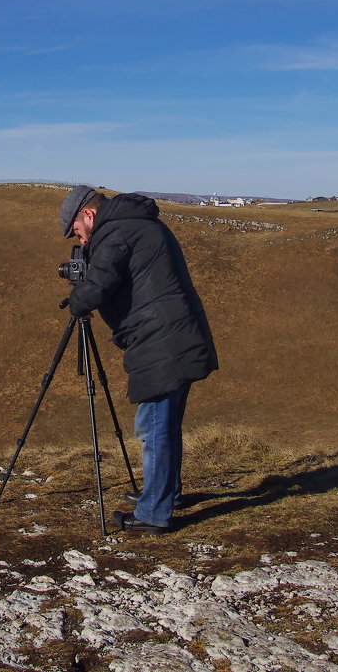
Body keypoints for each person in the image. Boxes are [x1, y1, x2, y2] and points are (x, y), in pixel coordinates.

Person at [58, 185, 218, 534]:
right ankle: (165, 493)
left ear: (88, 214)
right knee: (160, 423)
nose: (79, 239)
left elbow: (100, 283)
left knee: (156, 427)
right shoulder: (137, 225)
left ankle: (153, 514)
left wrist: (77, 302)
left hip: (162, 342)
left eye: (76, 231)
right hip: (171, 337)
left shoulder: (118, 232)